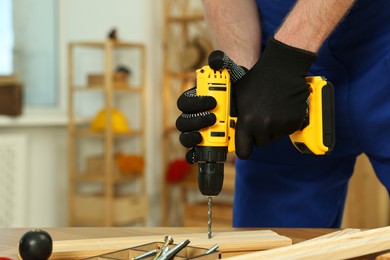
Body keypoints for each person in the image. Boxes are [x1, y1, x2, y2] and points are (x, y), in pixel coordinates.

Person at [176, 0, 390, 228]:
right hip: (273, 77)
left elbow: (288, 55)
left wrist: (288, 57)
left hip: (378, 47)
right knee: (267, 245)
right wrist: (242, 78)